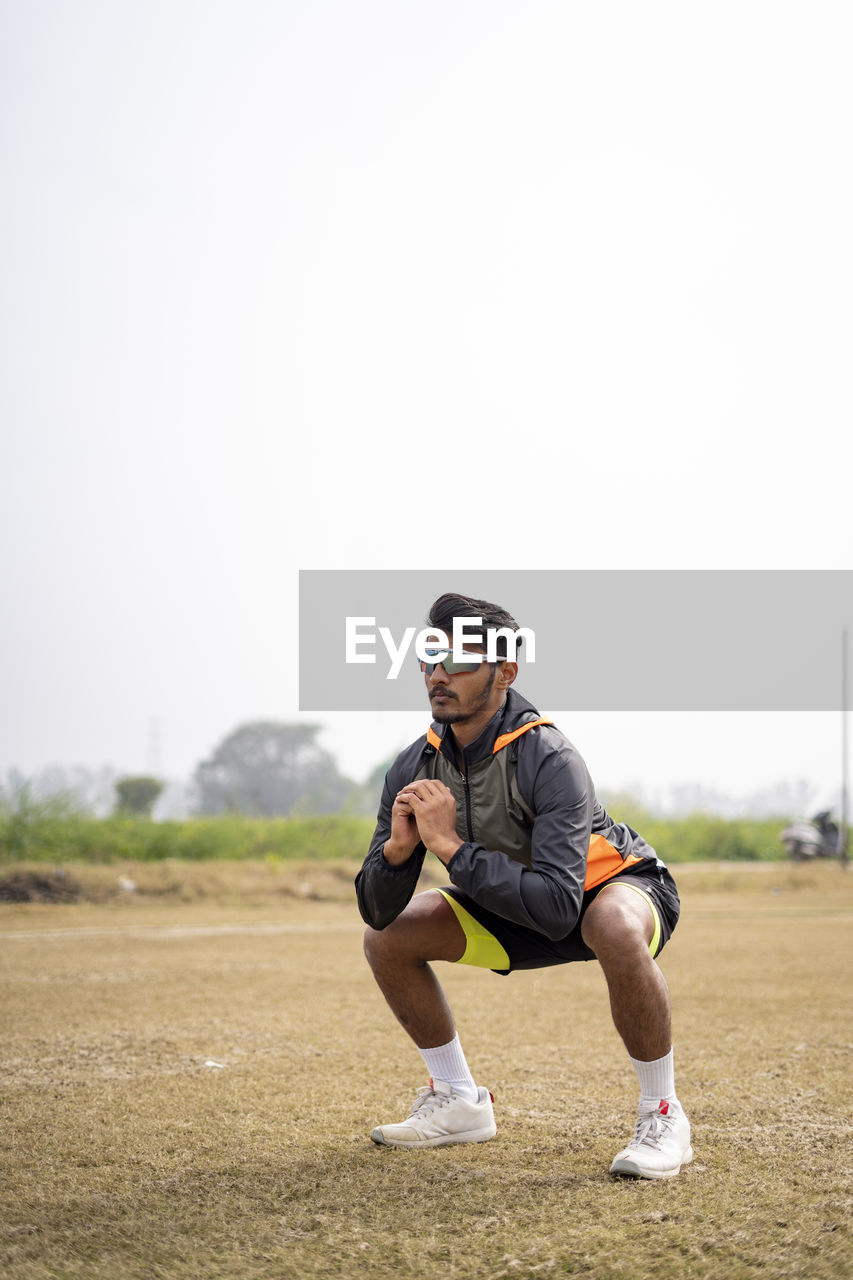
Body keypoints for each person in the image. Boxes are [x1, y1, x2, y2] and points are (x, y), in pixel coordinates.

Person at [355, 592, 693, 1179]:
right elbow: (377, 910)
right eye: (428, 657)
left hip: (607, 888)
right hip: (514, 901)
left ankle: (663, 1114)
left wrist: (454, 849)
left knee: (608, 924)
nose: (438, 675)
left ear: (505, 671)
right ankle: (459, 1101)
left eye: (458, 660)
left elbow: (561, 908)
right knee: (388, 940)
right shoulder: (413, 765)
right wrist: (398, 852)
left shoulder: (551, 755)